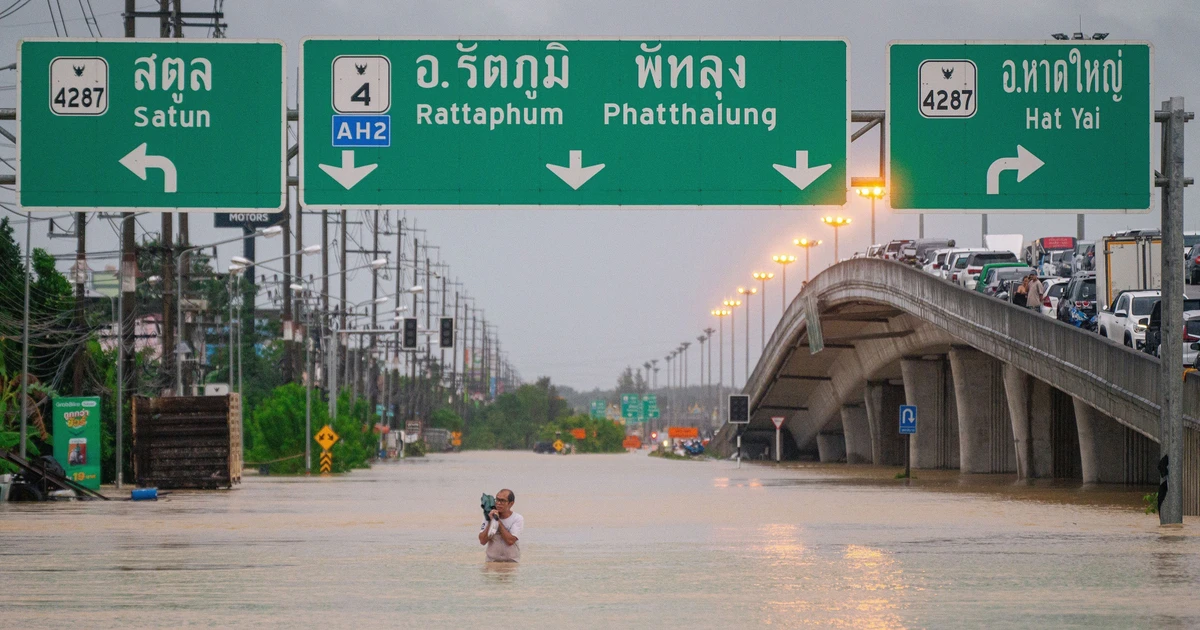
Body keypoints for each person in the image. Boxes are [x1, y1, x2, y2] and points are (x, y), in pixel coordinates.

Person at [478, 488, 523, 562]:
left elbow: (510, 541)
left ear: (511, 503)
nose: (498, 503)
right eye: (497, 500)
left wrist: (497, 520)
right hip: (491, 561)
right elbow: (482, 541)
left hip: (511, 562)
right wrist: (490, 521)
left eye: (502, 501)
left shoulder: (517, 518)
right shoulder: (489, 516)